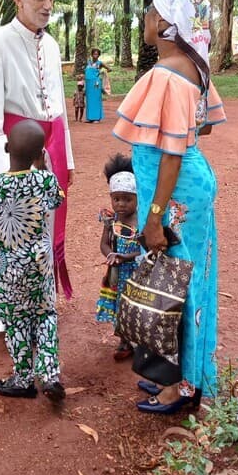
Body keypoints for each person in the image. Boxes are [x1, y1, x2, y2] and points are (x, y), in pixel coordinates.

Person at [112, 0, 226, 414]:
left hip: (173, 192)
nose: (144, 22)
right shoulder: (194, 67)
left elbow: (172, 154)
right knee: (190, 278)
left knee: (177, 283)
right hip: (188, 187)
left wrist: (155, 218)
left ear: (164, 23)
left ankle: (179, 385)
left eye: (149, 15)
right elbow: (203, 128)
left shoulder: (166, 74)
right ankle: (189, 375)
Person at [0, 0, 75, 332]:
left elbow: (60, 105)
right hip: (14, 150)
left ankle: (41, 302)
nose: (47, 5)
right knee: (10, 231)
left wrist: (69, 158)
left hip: (51, 148)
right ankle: (7, 313)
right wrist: (4, 171)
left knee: (46, 227)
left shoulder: (51, 44)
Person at [0, 120, 66, 402]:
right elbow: (57, 200)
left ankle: (23, 379)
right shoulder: (45, 180)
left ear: (7, 147)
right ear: (40, 153)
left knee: (16, 321)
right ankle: (50, 375)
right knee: (45, 316)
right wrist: (44, 167)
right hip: (41, 267)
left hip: (9, 271)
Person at [95, 154, 139, 361]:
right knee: (121, 307)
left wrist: (126, 256)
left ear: (138, 198)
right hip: (118, 273)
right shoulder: (110, 220)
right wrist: (111, 255)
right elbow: (104, 243)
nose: (121, 204)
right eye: (116, 199)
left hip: (139, 273)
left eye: (127, 199)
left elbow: (144, 249)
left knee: (138, 307)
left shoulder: (142, 220)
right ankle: (124, 342)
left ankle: (144, 343)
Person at [84, 48, 110, 122]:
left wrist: (102, 72)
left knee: (96, 100)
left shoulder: (100, 63)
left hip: (96, 84)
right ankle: (90, 118)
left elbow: (109, 69)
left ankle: (96, 118)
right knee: (89, 100)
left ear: (99, 55)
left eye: (97, 54)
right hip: (89, 84)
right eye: (94, 54)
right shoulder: (88, 62)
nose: (96, 55)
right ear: (91, 55)